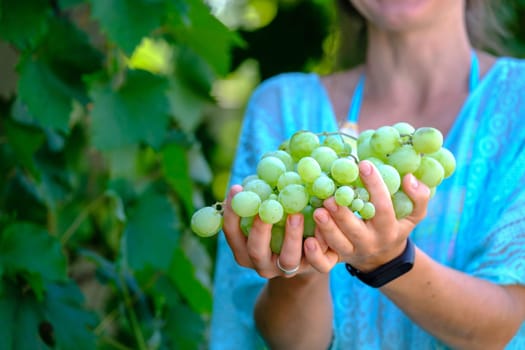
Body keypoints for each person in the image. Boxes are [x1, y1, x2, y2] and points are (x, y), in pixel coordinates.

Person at [209, 0, 525, 348]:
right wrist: (299, 271)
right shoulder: (280, 106)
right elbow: (293, 343)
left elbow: (504, 328)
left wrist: (389, 261)